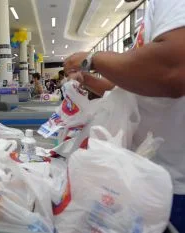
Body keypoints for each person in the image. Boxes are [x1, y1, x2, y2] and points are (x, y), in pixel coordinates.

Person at [63, 0, 185, 231]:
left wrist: (93, 59)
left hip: (171, 184)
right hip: (145, 174)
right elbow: (119, 85)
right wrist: (85, 78)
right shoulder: (152, 18)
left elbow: (174, 70)